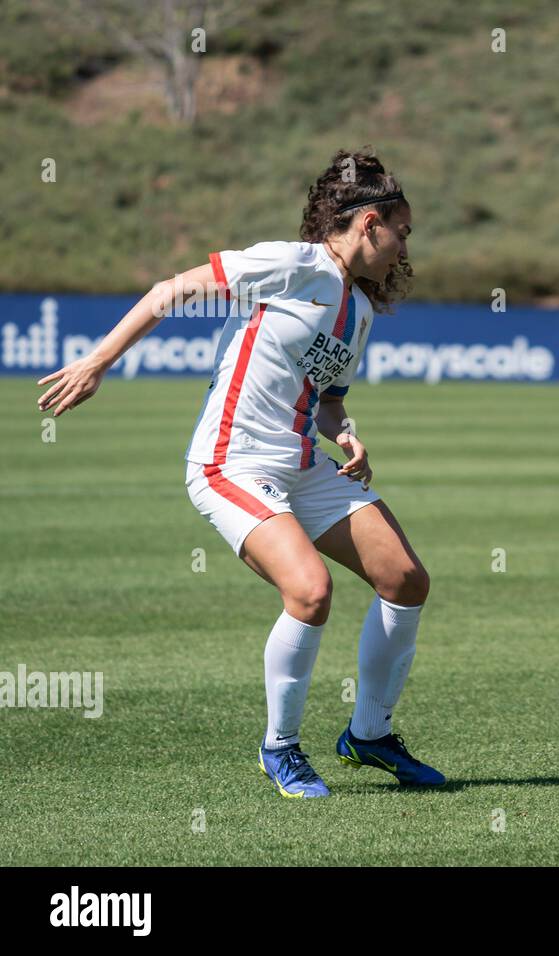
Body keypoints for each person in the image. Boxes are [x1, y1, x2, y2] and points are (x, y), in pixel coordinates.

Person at [34, 149, 445, 799]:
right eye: (403, 230)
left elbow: (328, 397)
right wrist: (99, 361)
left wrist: (346, 435)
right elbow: (174, 289)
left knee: (406, 579)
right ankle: (280, 748)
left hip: (302, 465)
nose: (405, 246)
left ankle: (368, 735)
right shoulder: (292, 265)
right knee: (309, 592)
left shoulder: (359, 311)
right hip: (230, 463)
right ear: (368, 223)